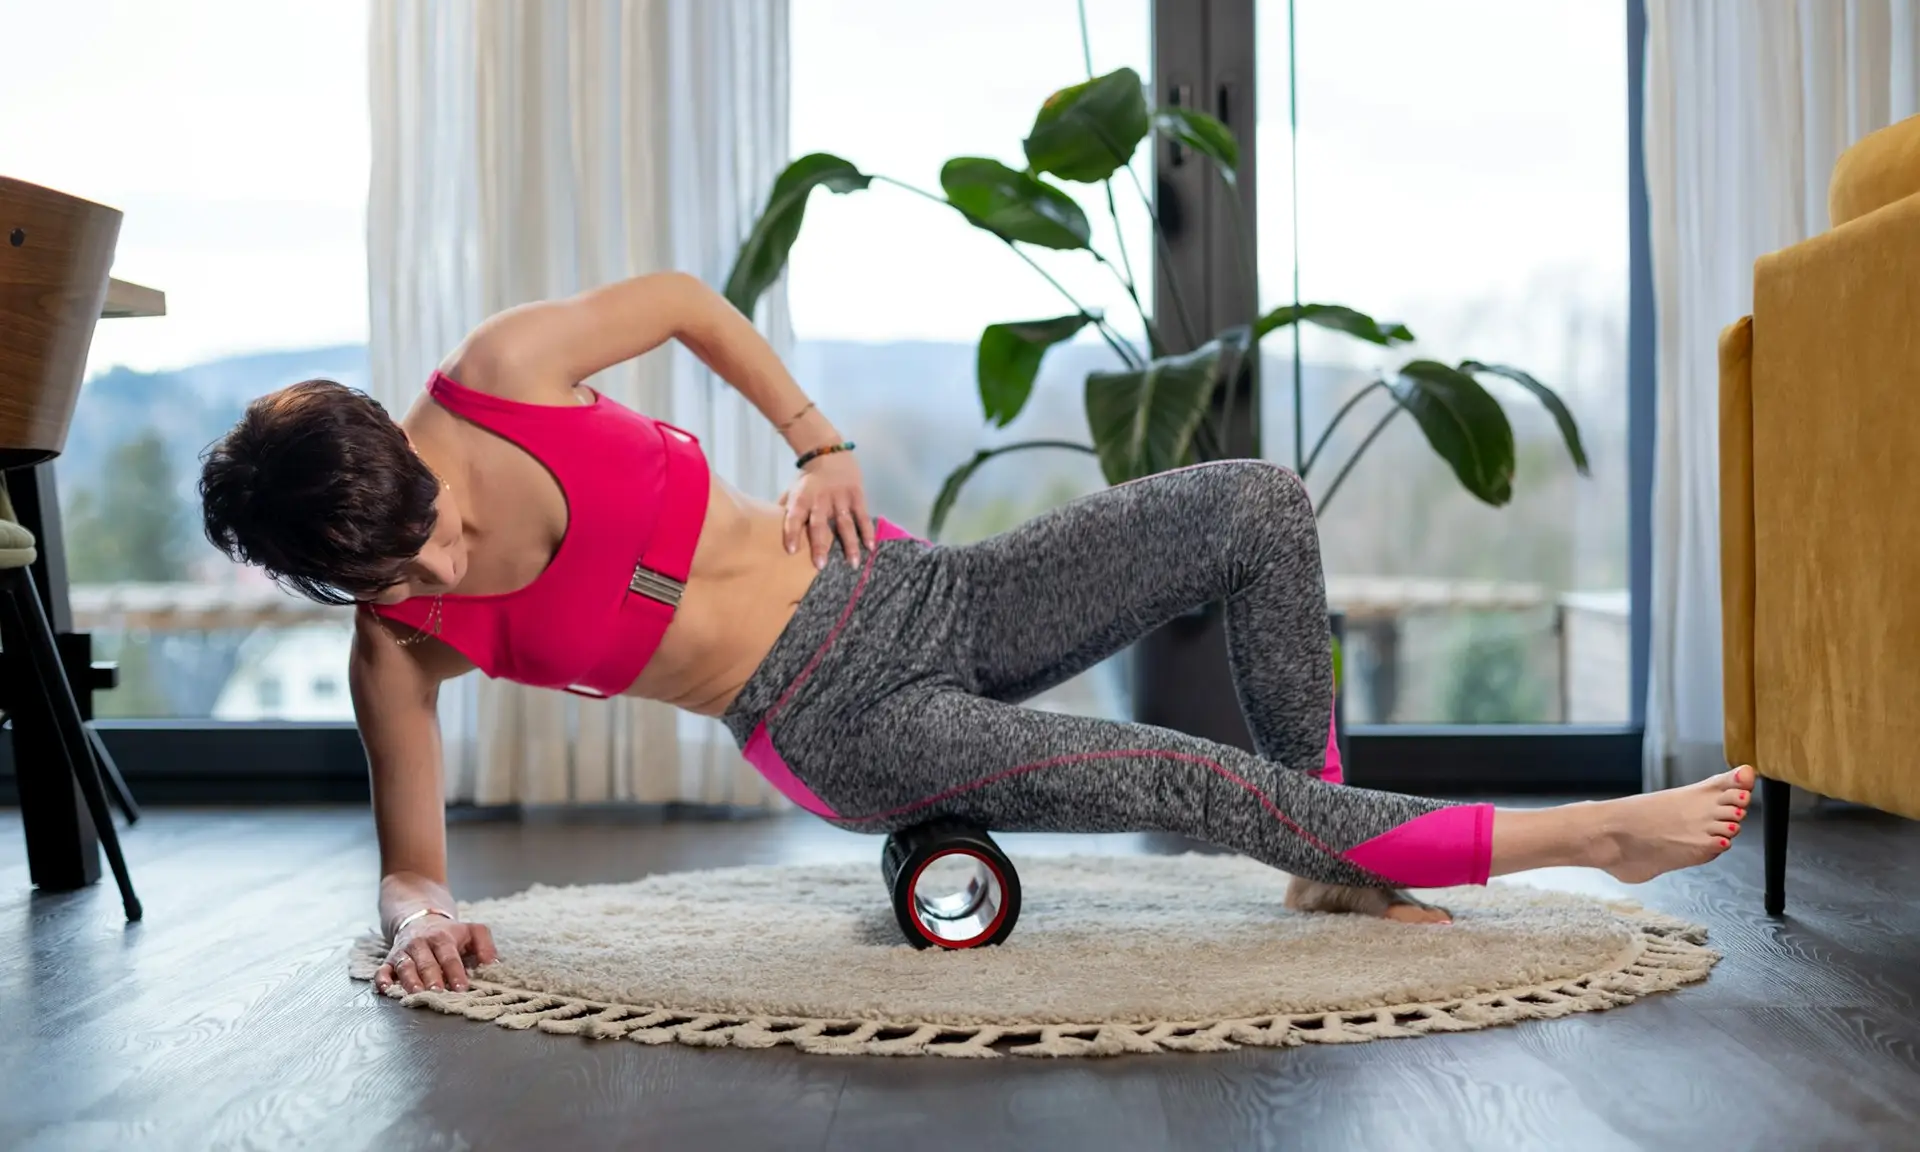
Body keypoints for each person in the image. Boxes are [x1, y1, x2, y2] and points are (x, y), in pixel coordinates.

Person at [198, 270, 1753, 998]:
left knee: (1257, 500)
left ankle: (1338, 855)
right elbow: (411, 860)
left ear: (408, 455)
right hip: (835, 722)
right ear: (337, 587)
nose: (445, 565)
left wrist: (817, 441)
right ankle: (1584, 837)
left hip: (919, 587)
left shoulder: (503, 370)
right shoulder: (399, 644)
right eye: (401, 577)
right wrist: (417, 920)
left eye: (434, 527)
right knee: (1162, 769)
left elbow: (680, 300)